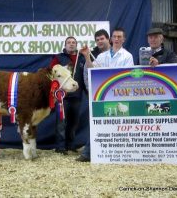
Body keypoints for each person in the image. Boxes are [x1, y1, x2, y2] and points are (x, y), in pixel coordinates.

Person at [76, 27, 134, 162]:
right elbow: (91, 71)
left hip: (119, 96)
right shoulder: (102, 56)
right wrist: (86, 56)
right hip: (102, 95)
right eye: (115, 36)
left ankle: (118, 154)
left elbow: (127, 77)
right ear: (111, 39)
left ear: (124, 39)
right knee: (97, 123)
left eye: (120, 36)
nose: (117, 39)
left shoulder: (127, 56)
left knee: (120, 125)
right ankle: (88, 153)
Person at [50, 36, 87, 155]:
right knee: (61, 122)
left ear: (76, 45)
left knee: (74, 122)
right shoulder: (58, 58)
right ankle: (60, 147)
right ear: (65, 45)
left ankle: (70, 145)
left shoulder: (81, 58)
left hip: (77, 96)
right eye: (69, 42)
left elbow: (85, 75)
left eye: (73, 42)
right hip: (62, 97)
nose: (71, 44)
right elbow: (52, 73)